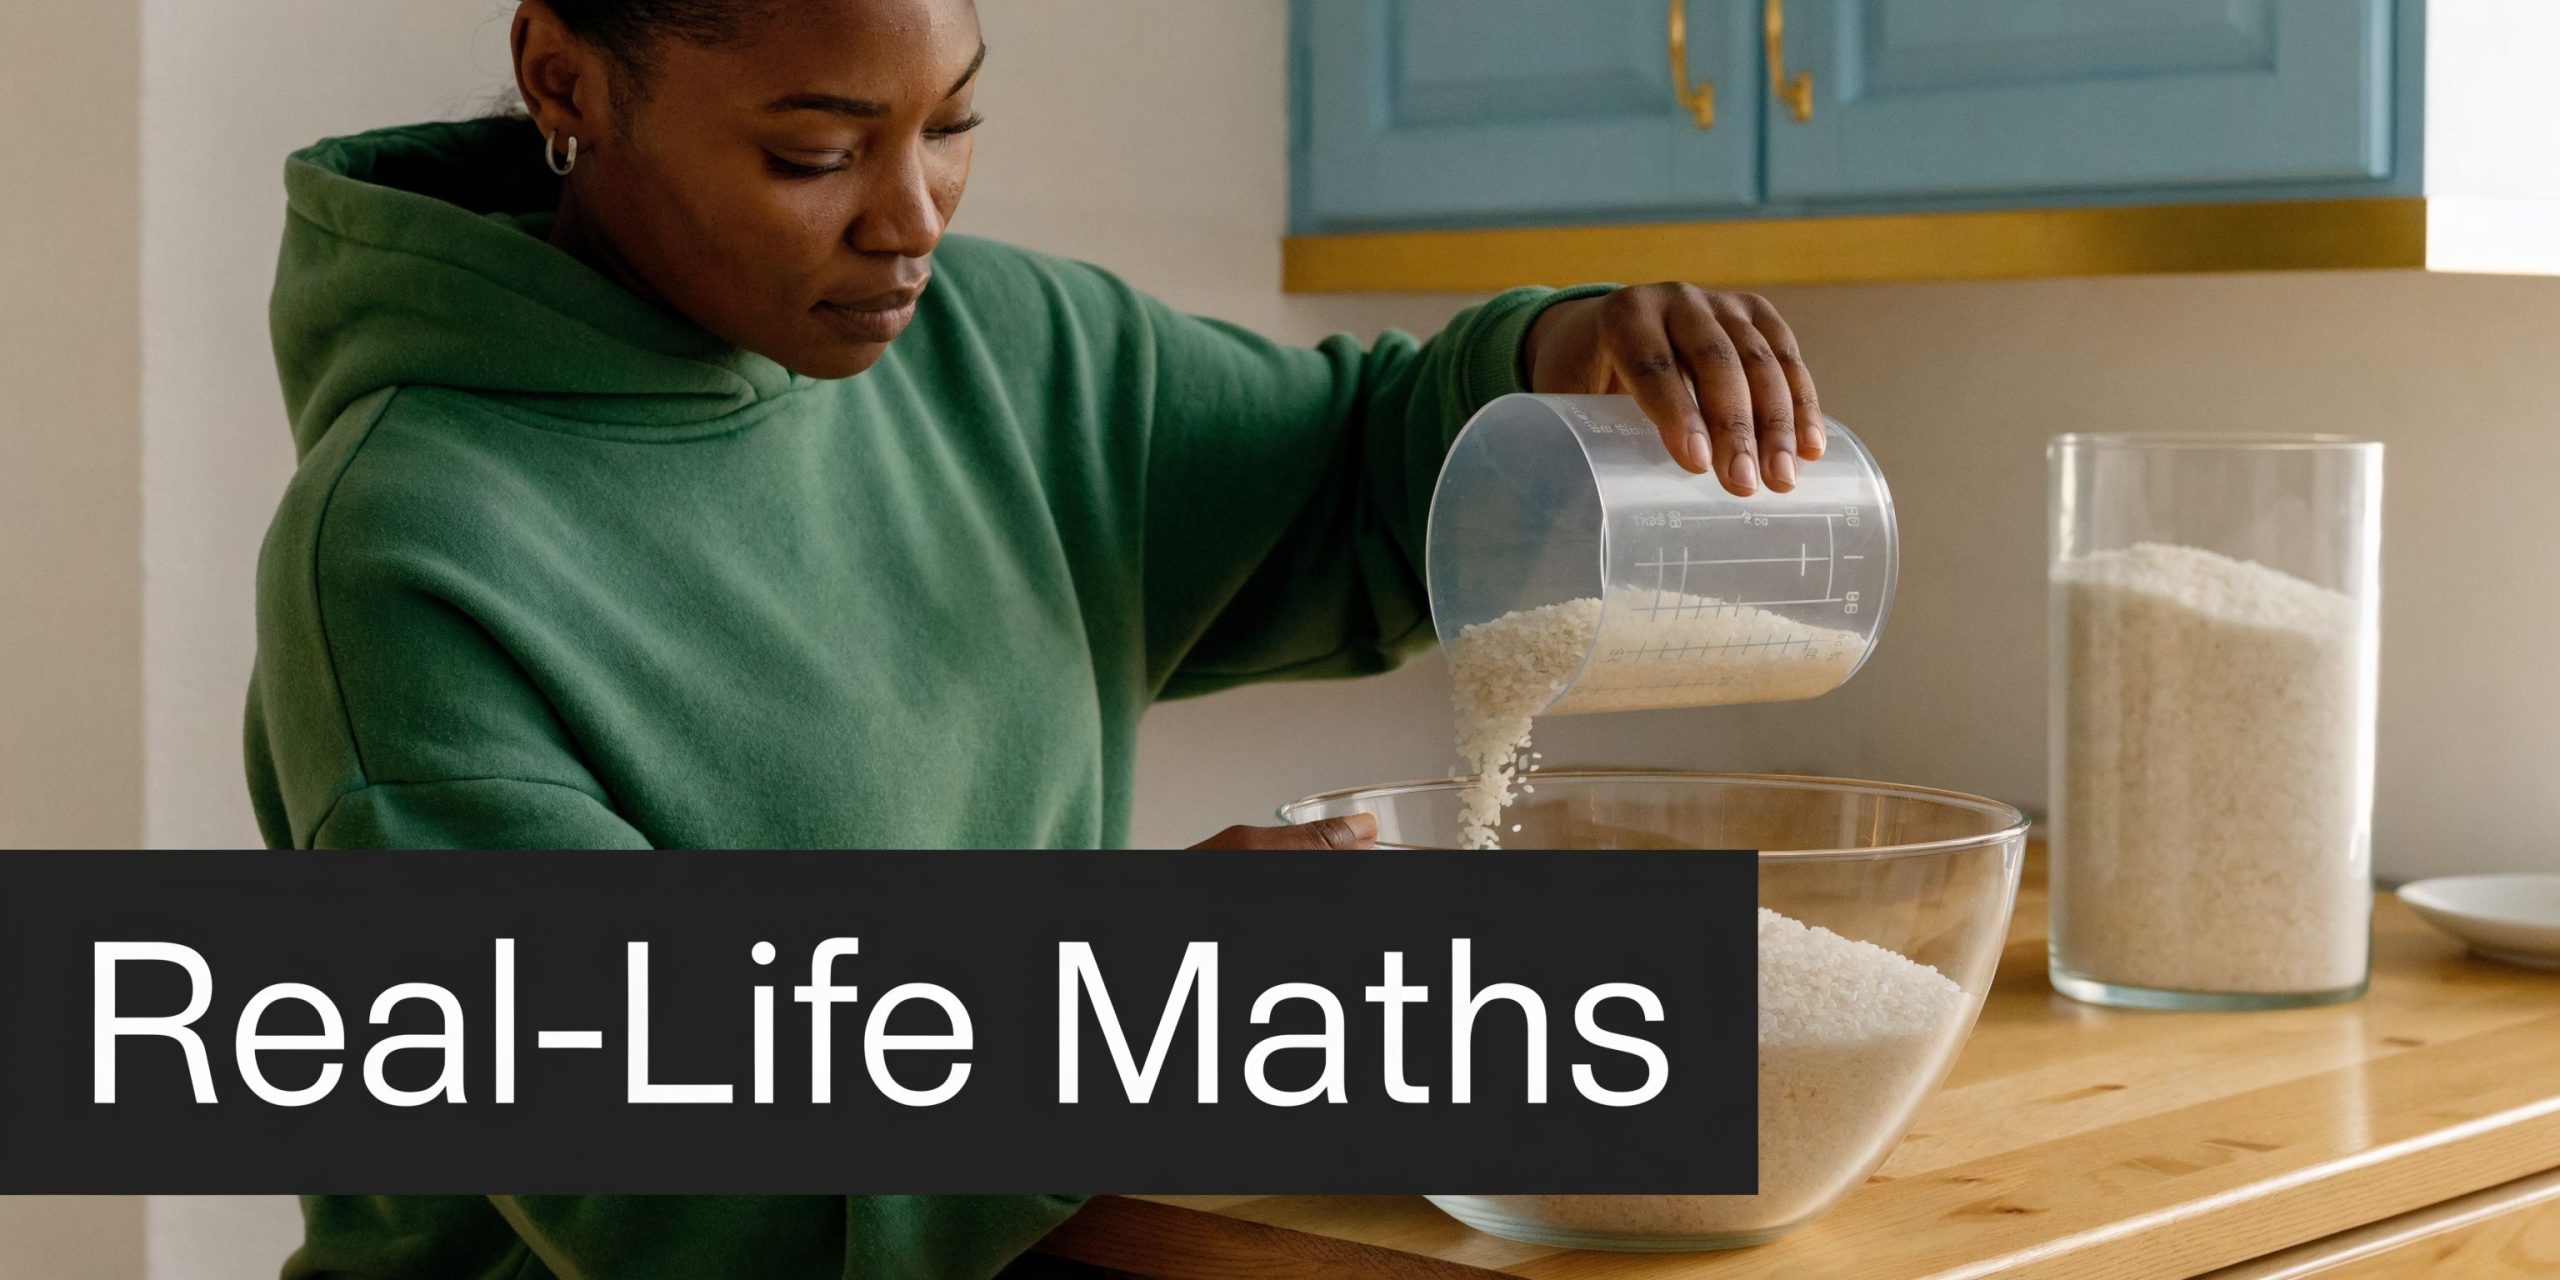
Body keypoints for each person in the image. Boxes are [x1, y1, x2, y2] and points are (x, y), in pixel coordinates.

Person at [246, 1, 1828, 1274]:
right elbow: (667, 1195)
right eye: (814, 153)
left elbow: (1359, 471)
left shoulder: (1006, 351)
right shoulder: (405, 554)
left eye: (952, 124)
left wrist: (1564, 352)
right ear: (566, 79)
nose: (908, 217)